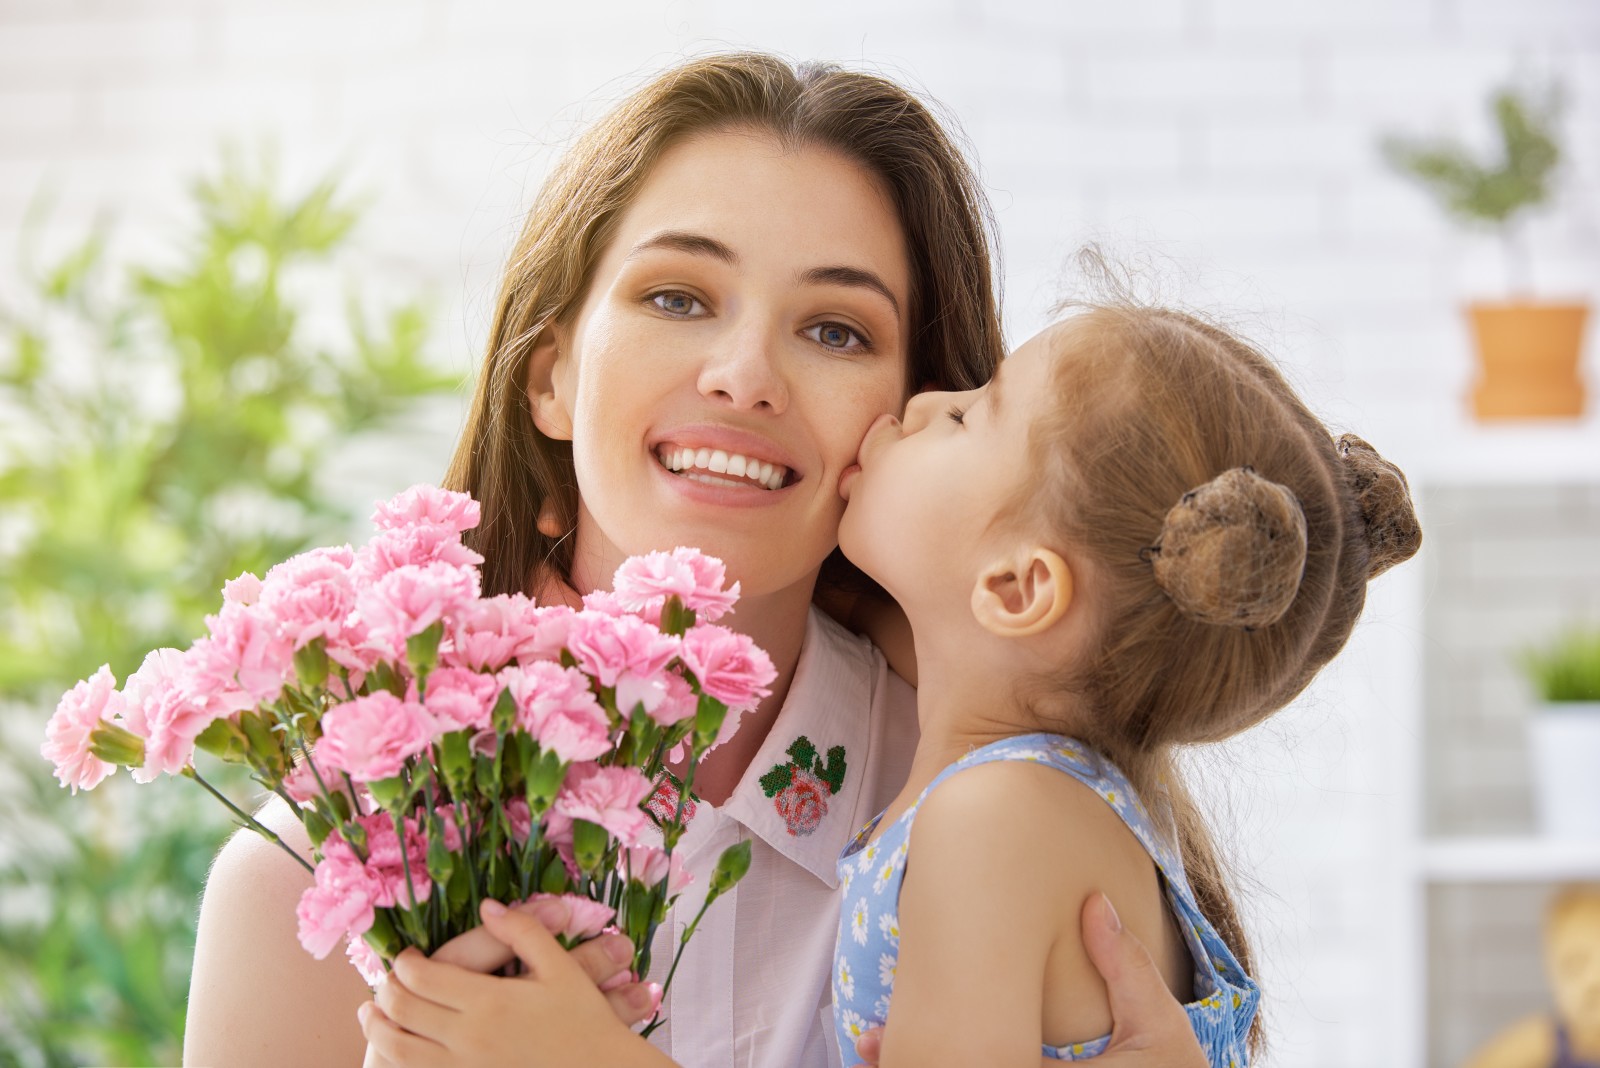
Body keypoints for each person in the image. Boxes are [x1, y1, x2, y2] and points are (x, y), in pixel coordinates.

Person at [184, 53, 1210, 1068]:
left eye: (835, 330)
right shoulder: (327, 880)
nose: (744, 376)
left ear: (915, 418)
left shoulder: (1010, 825)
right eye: (676, 299)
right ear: (551, 379)